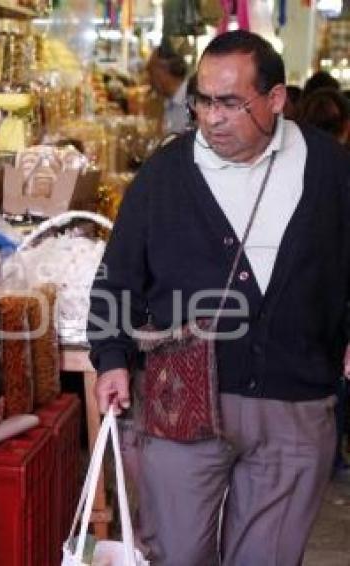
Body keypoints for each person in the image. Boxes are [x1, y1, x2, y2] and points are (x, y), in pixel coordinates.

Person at [88, 30, 350, 565]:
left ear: (275, 99)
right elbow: (116, 277)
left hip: (293, 405)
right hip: (180, 399)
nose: (211, 117)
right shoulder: (166, 173)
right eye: (202, 100)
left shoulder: (331, 171)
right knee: (177, 554)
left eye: (230, 102)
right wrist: (110, 358)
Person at [147, 43, 190, 135]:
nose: (148, 78)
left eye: (150, 71)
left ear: (162, 70)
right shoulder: (169, 101)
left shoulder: (191, 103)